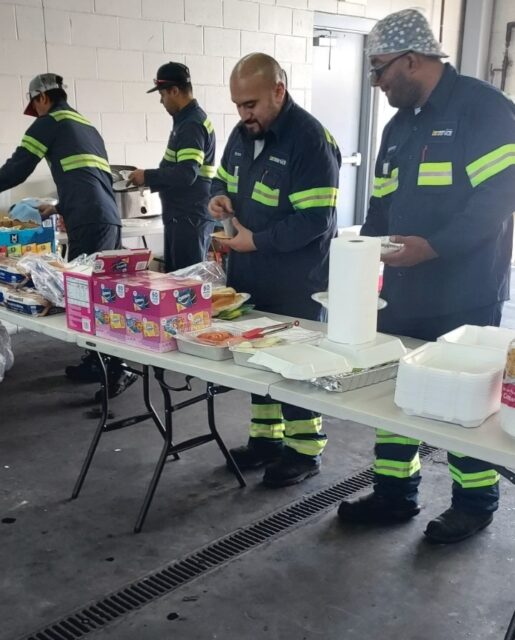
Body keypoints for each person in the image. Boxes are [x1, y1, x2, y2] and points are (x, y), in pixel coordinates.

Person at [337, 9, 515, 543]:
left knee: (463, 406)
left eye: (380, 70)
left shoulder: (484, 110)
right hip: (405, 294)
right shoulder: (398, 127)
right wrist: (363, 258)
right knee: (398, 396)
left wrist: (433, 248)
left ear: (411, 61)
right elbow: (382, 207)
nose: (376, 83)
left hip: (465, 295)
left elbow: (498, 200)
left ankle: (474, 503)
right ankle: (395, 494)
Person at [209, 53, 341, 487]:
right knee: (258, 362)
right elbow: (220, 179)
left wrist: (256, 241)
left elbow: (314, 220)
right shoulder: (242, 133)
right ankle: (266, 440)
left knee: (297, 366)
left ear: (278, 91)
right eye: (238, 105)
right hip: (249, 274)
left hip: (295, 280)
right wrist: (217, 199)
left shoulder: (309, 140)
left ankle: (304, 450)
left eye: (251, 104)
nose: (244, 114)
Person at [0, 73, 136, 399]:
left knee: (90, 296)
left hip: (91, 222)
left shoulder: (50, 122)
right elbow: (87, 180)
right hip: (103, 218)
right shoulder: (86, 126)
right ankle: (96, 361)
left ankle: (120, 367)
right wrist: (58, 208)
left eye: (35, 106)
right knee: (91, 294)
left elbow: (18, 167)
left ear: (42, 98)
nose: (36, 113)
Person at [128, 62, 216, 273]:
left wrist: (146, 176)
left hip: (189, 218)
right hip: (183, 217)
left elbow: (187, 174)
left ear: (175, 91)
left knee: (185, 286)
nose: (161, 100)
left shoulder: (191, 124)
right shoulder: (186, 121)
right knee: (178, 283)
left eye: (162, 94)